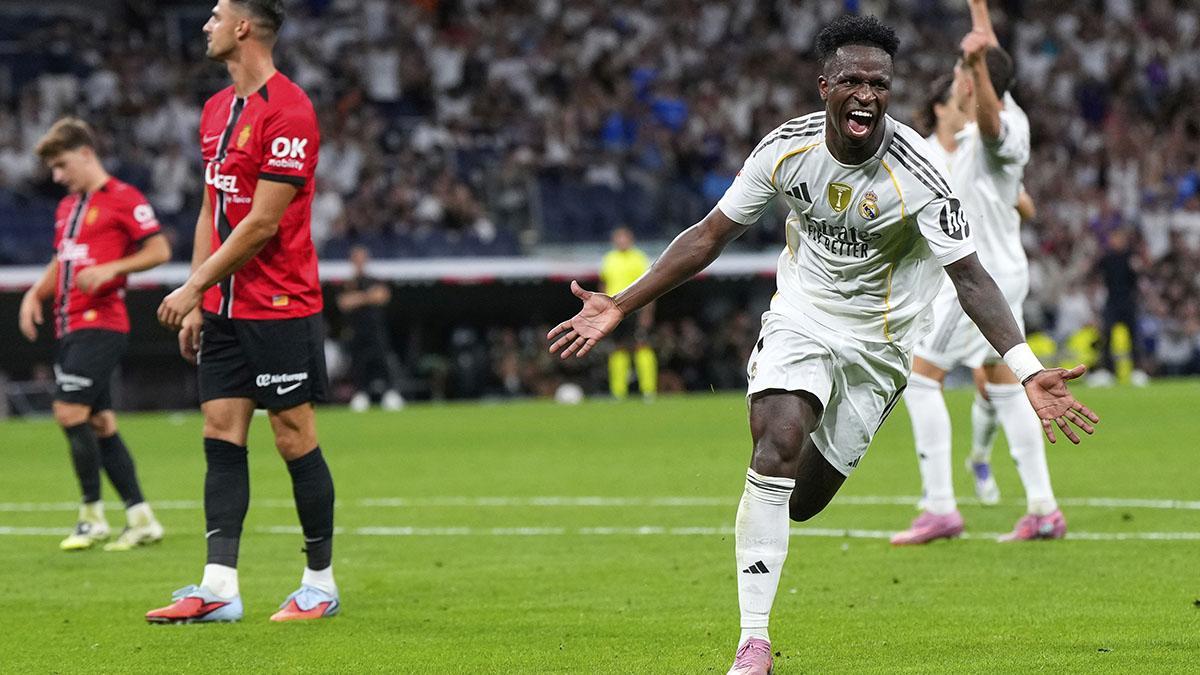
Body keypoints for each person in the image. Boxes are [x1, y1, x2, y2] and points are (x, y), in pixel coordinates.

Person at [547, 15, 1098, 675]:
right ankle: (754, 641)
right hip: (801, 320)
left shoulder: (919, 174)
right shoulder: (786, 149)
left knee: (802, 500)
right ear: (824, 86)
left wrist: (1027, 366)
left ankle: (793, 499)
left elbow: (972, 278)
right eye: (853, 81)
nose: (867, 94)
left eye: (880, 83)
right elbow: (708, 234)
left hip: (879, 350)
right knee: (774, 443)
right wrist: (622, 301)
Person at [146, 0, 338, 624]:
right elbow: (212, 209)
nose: (205, 23)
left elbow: (260, 224)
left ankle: (319, 584)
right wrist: (201, 295)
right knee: (220, 432)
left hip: (280, 305)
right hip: (226, 308)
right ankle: (220, 588)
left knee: (292, 435)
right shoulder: (214, 110)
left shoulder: (291, 110)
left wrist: (189, 286)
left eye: (215, 13)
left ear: (244, 27)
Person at [892, 0, 1067, 545]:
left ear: (974, 86)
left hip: (979, 282)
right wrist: (978, 10)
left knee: (921, 378)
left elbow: (989, 119)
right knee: (1005, 385)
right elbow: (986, 53)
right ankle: (1044, 510)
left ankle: (940, 507)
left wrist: (974, 72)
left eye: (960, 74)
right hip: (1001, 273)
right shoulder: (977, 119)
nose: (955, 79)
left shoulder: (1002, 130)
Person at [19, 117, 170, 552]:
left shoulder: (124, 198)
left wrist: (113, 268)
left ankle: (91, 517)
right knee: (100, 422)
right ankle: (141, 518)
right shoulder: (68, 207)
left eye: (62, 165)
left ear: (86, 153)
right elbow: (63, 260)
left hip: (100, 324)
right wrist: (35, 293)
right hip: (70, 326)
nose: (57, 176)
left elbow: (159, 249)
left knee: (68, 411)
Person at [337, 245, 404, 412]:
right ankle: (361, 395)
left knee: (383, 362)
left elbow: (382, 296)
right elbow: (344, 303)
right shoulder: (347, 283)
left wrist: (358, 299)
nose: (359, 261)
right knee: (358, 365)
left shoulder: (374, 280)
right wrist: (368, 297)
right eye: (356, 258)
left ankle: (390, 394)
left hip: (375, 330)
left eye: (362, 258)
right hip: (356, 332)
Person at [599, 227, 657, 400]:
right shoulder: (608, 260)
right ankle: (618, 392)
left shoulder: (639, 258)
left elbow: (650, 286)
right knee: (618, 348)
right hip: (614, 309)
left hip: (635, 307)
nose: (621, 241)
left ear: (630, 240)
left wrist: (648, 312)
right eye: (618, 238)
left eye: (624, 238)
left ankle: (648, 390)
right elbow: (603, 285)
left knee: (642, 346)